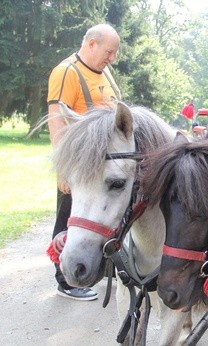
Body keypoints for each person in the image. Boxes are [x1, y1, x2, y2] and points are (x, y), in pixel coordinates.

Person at [47, 23, 121, 300]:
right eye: (109, 51)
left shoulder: (104, 73)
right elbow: (56, 118)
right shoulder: (67, 71)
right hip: (79, 165)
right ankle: (65, 279)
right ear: (92, 44)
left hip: (101, 164)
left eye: (114, 53)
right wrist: (64, 168)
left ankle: (98, 266)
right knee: (68, 220)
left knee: (99, 216)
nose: (111, 57)